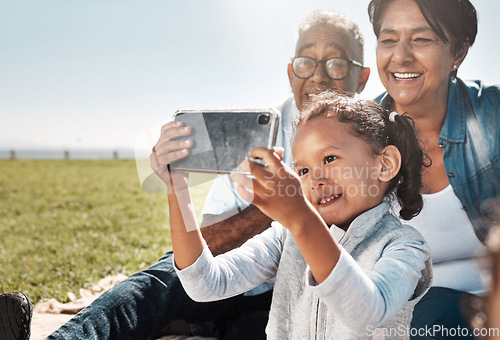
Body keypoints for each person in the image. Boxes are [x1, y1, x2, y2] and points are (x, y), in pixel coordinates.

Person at [47, 11, 370, 340]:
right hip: (230, 276)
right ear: (291, 73)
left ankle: (203, 326)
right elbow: (210, 244)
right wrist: (277, 204)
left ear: (362, 78)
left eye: (336, 63)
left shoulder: (376, 145)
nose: (319, 76)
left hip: (303, 293)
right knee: (157, 284)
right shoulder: (252, 135)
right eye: (306, 62)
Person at [153, 92, 432, 339]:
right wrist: (177, 190)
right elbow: (205, 284)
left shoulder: (405, 246)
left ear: (385, 164)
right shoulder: (286, 238)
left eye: (330, 158)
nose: (315, 180)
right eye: (302, 171)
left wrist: (300, 218)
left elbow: (366, 313)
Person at [368, 0, 500, 338]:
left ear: (458, 52)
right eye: (388, 39)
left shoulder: (493, 115)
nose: (400, 56)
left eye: (421, 39)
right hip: (405, 311)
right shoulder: (355, 136)